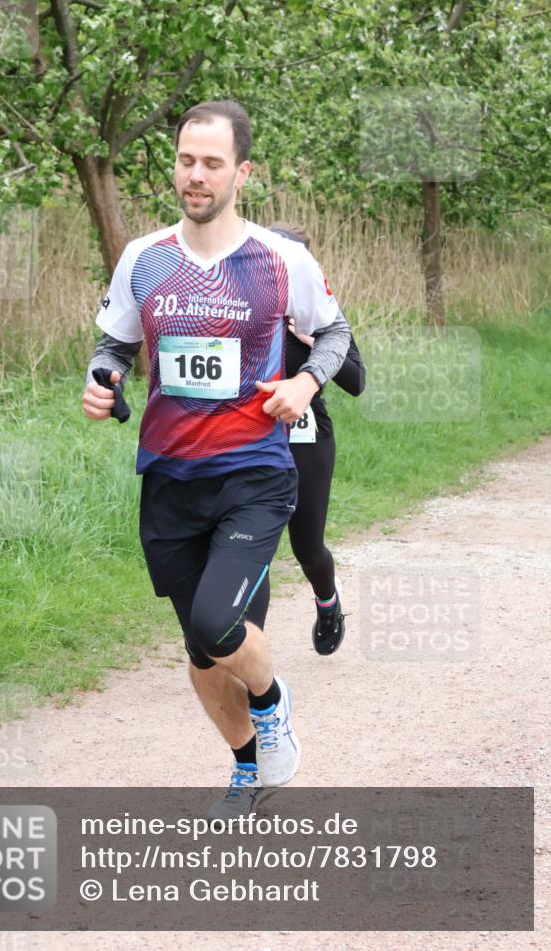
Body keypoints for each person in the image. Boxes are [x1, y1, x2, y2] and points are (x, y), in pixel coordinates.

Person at [82, 100, 351, 820]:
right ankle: (243, 768)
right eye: (184, 160)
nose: (194, 176)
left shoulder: (279, 259)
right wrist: (102, 381)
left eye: (211, 164)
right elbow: (113, 344)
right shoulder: (144, 258)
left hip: (252, 473)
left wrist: (303, 380)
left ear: (241, 172)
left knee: (216, 623)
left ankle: (271, 702)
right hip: (168, 476)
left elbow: (333, 333)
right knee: (200, 654)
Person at [246, 222, 365, 656]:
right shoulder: (246, 307)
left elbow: (356, 381)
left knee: (307, 547)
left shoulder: (319, 312)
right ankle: (244, 640)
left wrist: (311, 339)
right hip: (250, 440)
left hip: (308, 439)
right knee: (249, 543)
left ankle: (328, 602)